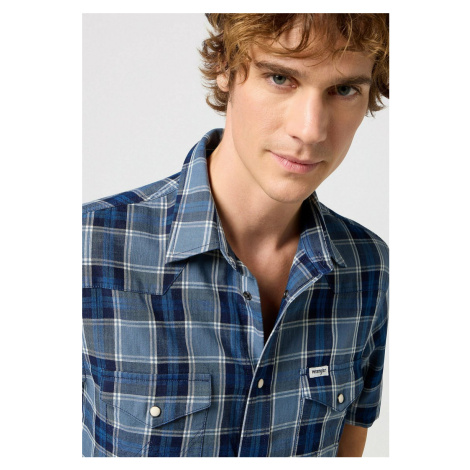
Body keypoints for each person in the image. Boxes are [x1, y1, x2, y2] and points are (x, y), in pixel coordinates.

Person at [82, 13, 389, 457]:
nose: (310, 130)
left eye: (344, 90)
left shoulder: (369, 268)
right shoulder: (87, 248)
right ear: (226, 68)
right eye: (280, 78)